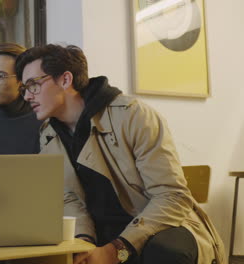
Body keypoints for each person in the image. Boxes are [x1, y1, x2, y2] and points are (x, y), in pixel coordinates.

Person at [15, 44, 225, 264]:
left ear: (66, 80)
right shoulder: (49, 136)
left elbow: (172, 196)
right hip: (103, 238)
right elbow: (70, 199)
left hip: (154, 231)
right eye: (24, 89)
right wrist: (83, 242)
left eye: (33, 85)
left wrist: (115, 252)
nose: (27, 96)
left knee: (164, 253)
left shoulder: (133, 116)